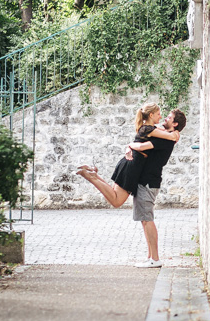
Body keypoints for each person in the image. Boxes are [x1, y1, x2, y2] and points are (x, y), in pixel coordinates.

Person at [79, 108, 187, 268]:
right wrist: (131, 146)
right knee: (144, 219)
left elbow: (142, 146)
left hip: (149, 182)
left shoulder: (166, 138)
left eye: (169, 117)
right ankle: (151, 257)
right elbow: (143, 142)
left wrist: (130, 145)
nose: (164, 117)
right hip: (143, 180)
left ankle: (155, 259)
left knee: (147, 219)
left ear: (175, 123)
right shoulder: (162, 134)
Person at [76, 103, 178, 208]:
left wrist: (129, 146)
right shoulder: (150, 129)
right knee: (116, 201)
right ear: (151, 115)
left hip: (129, 161)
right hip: (133, 165)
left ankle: (94, 174)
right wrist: (176, 133)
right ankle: (91, 177)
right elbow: (170, 136)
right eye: (158, 114)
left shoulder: (149, 128)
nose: (160, 116)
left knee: (112, 195)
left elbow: (164, 133)